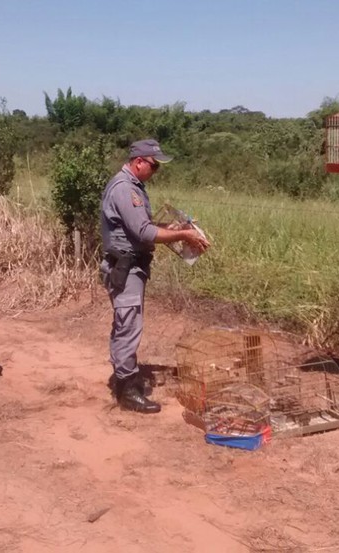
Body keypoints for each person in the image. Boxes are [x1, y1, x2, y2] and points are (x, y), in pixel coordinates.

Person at [100, 139, 211, 413]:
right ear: (139, 162)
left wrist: (172, 228)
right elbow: (144, 233)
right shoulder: (126, 189)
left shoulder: (133, 186)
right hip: (125, 268)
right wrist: (184, 234)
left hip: (130, 266)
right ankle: (127, 391)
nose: (156, 171)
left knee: (127, 322)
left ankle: (124, 378)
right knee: (129, 324)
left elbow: (143, 226)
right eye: (154, 165)